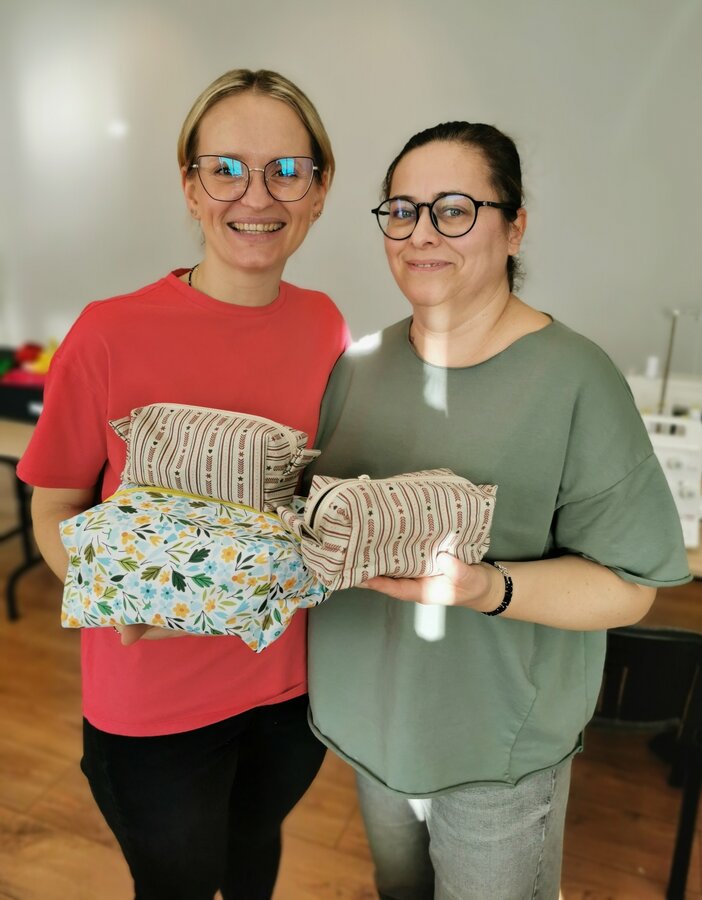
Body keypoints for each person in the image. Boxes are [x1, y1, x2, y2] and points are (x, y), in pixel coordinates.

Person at [303, 121, 691, 900]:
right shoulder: (358, 367)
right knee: (399, 889)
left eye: (453, 210)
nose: (421, 233)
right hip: (371, 727)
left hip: (497, 757)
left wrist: (488, 587)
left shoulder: (575, 380)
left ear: (514, 227)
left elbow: (630, 586)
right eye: (401, 211)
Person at [17, 68, 348, 900]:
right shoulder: (109, 332)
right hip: (153, 708)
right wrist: (124, 598)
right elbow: (55, 502)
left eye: (286, 169)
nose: (256, 195)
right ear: (190, 187)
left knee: (254, 856)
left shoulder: (325, 325)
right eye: (225, 168)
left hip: (288, 688)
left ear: (318, 191)